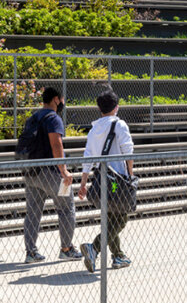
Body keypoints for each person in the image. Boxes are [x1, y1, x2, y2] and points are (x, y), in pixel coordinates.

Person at [21, 87, 82, 264]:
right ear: (56, 99)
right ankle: (66, 248)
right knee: (66, 208)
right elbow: (57, 144)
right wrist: (63, 170)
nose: (62, 102)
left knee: (33, 212)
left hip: (31, 172)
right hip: (51, 173)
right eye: (62, 99)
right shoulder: (53, 118)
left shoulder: (33, 117)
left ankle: (31, 252)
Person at [77, 89, 135, 272]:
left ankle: (118, 256)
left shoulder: (94, 130)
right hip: (117, 181)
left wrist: (83, 183)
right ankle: (93, 248)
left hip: (101, 180)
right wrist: (130, 176)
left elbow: (88, 157)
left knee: (111, 217)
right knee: (121, 218)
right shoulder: (120, 125)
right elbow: (128, 152)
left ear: (99, 108)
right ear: (116, 107)